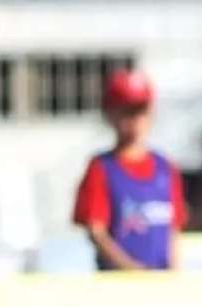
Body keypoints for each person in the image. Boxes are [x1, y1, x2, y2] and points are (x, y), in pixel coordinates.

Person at [72, 69, 186, 271]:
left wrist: (173, 271)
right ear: (110, 114)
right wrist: (131, 270)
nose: (135, 120)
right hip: (119, 281)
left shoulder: (165, 168)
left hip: (161, 279)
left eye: (141, 111)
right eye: (127, 112)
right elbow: (96, 231)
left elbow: (173, 229)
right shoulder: (102, 168)